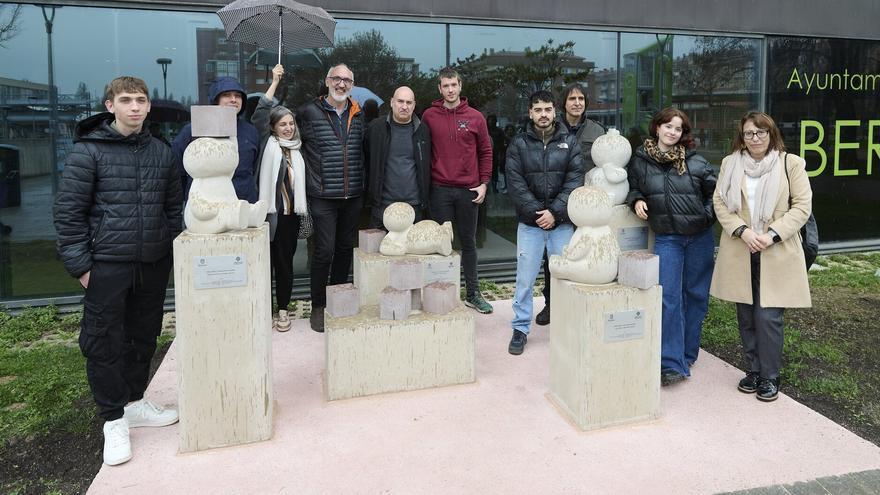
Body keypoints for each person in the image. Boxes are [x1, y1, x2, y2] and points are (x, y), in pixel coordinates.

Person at [53, 76, 182, 466]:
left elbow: (173, 208)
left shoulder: (162, 151)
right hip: (107, 266)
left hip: (152, 264)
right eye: (126, 100)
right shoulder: (88, 152)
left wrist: (168, 250)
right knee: (104, 341)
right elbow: (68, 214)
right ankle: (113, 419)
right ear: (110, 105)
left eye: (141, 100)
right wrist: (82, 267)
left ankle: (135, 402)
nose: (135, 107)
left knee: (143, 336)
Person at [710, 111, 812, 402]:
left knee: (767, 317)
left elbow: (802, 207)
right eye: (748, 133)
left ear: (771, 133)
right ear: (741, 137)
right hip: (741, 247)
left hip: (775, 248)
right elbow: (720, 201)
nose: (754, 138)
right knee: (745, 314)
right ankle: (753, 370)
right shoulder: (730, 164)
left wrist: (772, 234)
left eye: (760, 132)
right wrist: (742, 231)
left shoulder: (790, 164)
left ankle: (770, 376)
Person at [626, 107, 717, 386]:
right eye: (668, 126)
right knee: (668, 298)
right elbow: (634, 186)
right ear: (657, 128)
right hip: (668, 238)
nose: (672, 132)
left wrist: (705, 216)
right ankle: (671, 363)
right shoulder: (640, 160)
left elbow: (717, 196)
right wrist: (637, 199)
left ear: (682, 134)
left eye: (678, 129)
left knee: (696, 295)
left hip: (699, 237)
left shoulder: (696, 161)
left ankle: (688, 352)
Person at [504, 90, 584, 355]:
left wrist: (556, 212)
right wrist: (539, 212)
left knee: (565, 279)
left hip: (561, 225)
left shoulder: (570, 143)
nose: (543, 115)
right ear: (530, 113)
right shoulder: (518, 144)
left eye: (547, 109)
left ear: (554, 112)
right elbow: (515, 184)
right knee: (525, 280)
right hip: (530, 224)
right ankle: (520, 328)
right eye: (537, 110)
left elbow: (575, 180)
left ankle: (567, 327)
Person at [297, 63, 365, 332]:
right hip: (323, 195)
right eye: (337, 78)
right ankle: (318, 305)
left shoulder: (358, 114)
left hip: (353, 195)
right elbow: (277, 128)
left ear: (352, 84)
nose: (341, 84)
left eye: (347, 80)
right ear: (327, 81)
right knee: (323, 251)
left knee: (344, 250)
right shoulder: (307, 112)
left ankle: (337, 300)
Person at [422, 67, 494, 314]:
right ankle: (441, 294)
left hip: (468, 190)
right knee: (441, 245)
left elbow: (486, 151)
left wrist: (484, 182)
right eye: (445, 85)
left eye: (454, 85)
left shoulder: (475, 117)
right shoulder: (429, 116)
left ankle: (473, 293)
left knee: (468, 243)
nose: (450, 89)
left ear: (460, 86)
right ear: (439, 89)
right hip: (440, 189)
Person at [535, 82, 606, 326]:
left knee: (584, 256)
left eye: (581, 99)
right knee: (555, 257)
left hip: (587, 207)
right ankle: (551, 305)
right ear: (562, 104)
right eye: (572, 98)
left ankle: (576, 305)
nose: (577, 102)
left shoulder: (597, 132)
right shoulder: (551, 129)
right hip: (558, 203)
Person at [252, 64, 307, 333]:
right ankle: (262, 311)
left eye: (291, 123)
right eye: (282, 124)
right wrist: (274, 82)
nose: (287, 128)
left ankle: (283, 309)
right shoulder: (267, 143)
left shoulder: (297, 150)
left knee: (285, 266)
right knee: (263, 267)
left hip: (289, 218)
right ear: (272, 128)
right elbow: (261, 111)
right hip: (267, 216)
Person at [172, 76, 259, 202]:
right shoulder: (194, 129)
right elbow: (177, 169)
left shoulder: (251, 131)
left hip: (243, 205)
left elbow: (255, 167)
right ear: (216, 99)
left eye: (238, 95)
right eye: (227, 95)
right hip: (204, 207)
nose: (233, 99)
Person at [364, 86, 431, 229]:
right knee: (379, 251)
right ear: (392, 102)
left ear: (414, 105)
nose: (404, 106)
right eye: (400, 101)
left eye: (409, 102)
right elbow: (366, 161)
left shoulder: (423, 130)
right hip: (382, 206)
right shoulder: (376, 128)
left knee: (412, 251)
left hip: (414, 206)